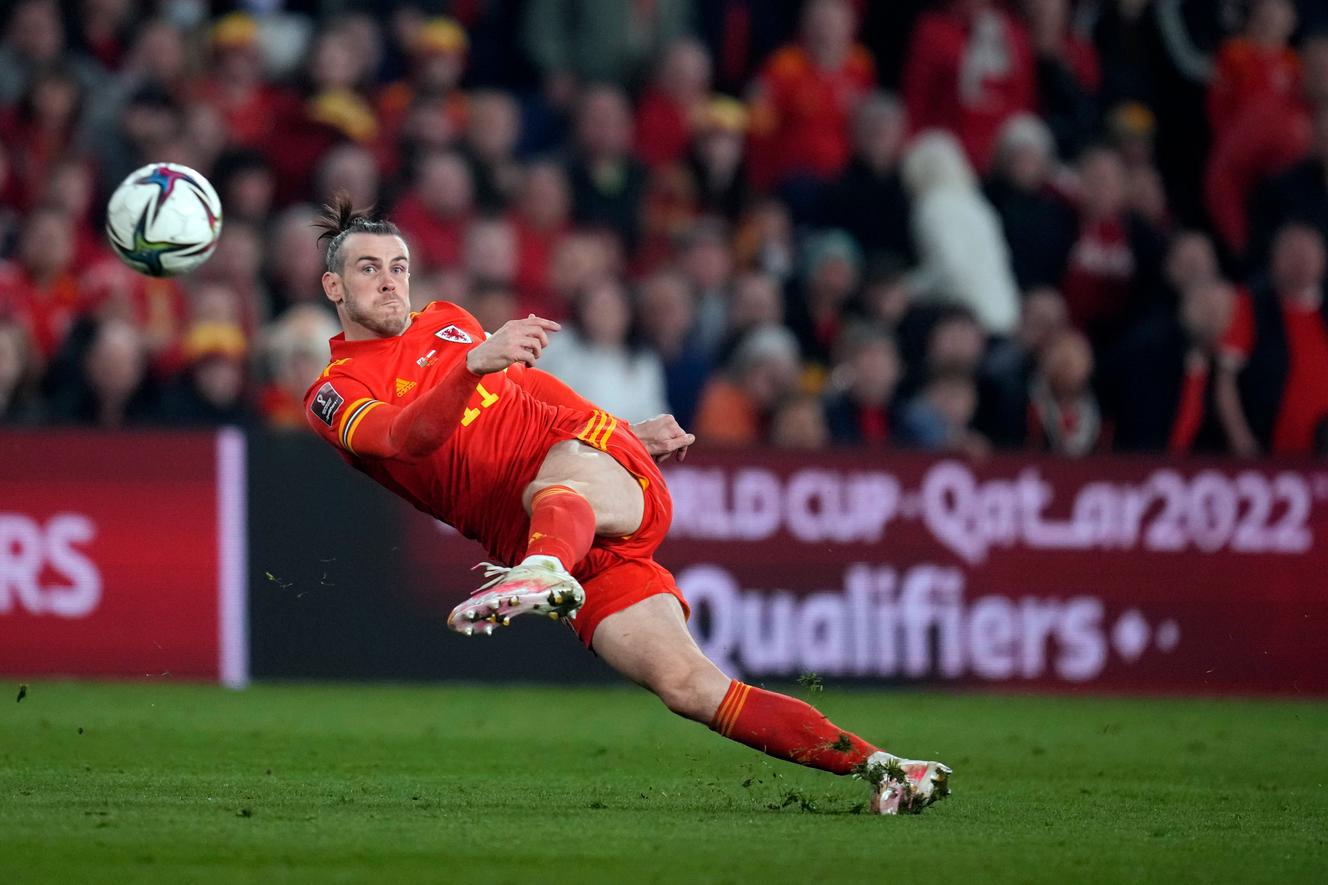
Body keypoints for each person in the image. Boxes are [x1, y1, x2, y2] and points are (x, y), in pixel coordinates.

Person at [301, 194, 951, 815]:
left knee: (551, 485)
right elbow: (404, 438)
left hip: (585, 474)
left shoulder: (448, 321)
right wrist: (471, 366)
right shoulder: (334, 391)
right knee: (692, 687)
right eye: (369, 268)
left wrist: (623, 431)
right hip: (560, 537)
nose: (390, 281)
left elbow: (535, 388)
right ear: (334, 288)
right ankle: (891, 769)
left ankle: (543, 568)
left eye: (399, 266)